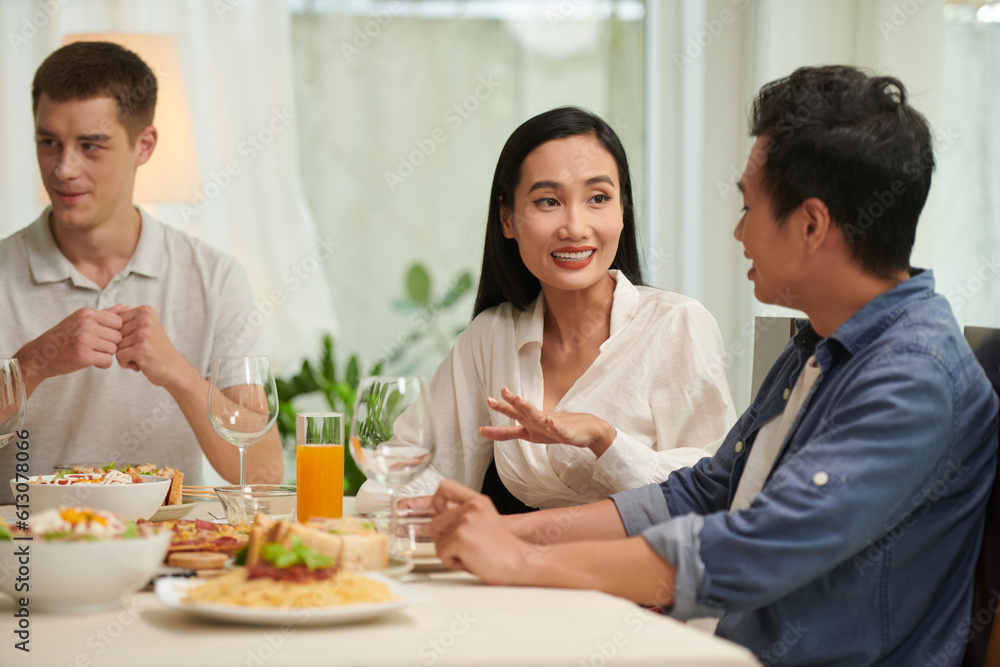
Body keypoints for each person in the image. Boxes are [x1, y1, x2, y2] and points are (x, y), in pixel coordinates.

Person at [429, 66, 999, 666]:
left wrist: (523, 561)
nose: (738, 232)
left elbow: (754, 549)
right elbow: (701, 492)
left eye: (749, 208)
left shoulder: (913, 377)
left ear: (810, 226)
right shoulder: (818, 344)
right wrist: (505, 532)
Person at [356, 107, 736, 514]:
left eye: (598, 198)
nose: (574, 227)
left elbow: (717, 488)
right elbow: (408, 466)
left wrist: (605, 439)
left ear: (622, 210)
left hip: (642, 572)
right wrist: (418, 502)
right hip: (525, 570)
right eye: (548, 201)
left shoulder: (676, 324)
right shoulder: (493, 335)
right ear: (507, 218)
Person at [0, 41, 283, 503]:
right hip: (30, 557)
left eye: (91, 146)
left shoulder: (214, 277)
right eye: (48, 142)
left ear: (144, 145)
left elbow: (265, 472)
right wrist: (31, 365)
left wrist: (180, 374)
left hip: (172, 553)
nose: (63, 168)